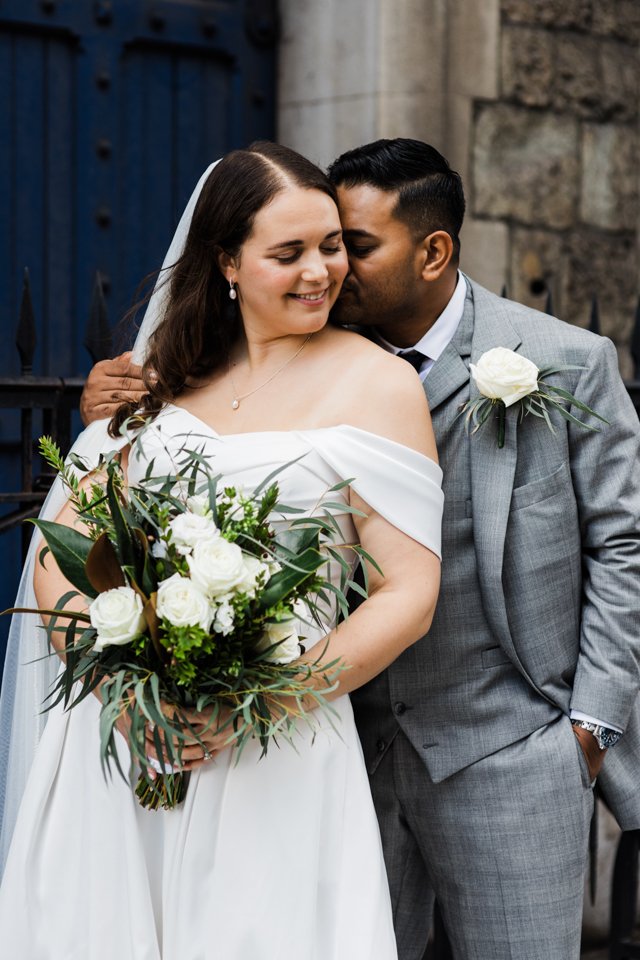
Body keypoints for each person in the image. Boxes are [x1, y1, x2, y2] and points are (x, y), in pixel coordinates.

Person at [81, 137, 640, 960]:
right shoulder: (289, 347)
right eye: (311, 244)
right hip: (337, 748)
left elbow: (622, 545)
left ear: (434, 250)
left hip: (510, 756)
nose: (330, 268)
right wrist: (111, 401)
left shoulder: (563, 360)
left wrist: (587, 729)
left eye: (351, 245)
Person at [0, 142, 443, 958]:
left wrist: (261, 702)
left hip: (278, 745)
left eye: (332, 245)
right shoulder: (157, 380)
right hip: (127, 745)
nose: (320, 271)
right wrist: (126, 693)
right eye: (289, 253)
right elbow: (64, 558)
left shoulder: (380, 385)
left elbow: (407, 594)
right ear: (227, 262)